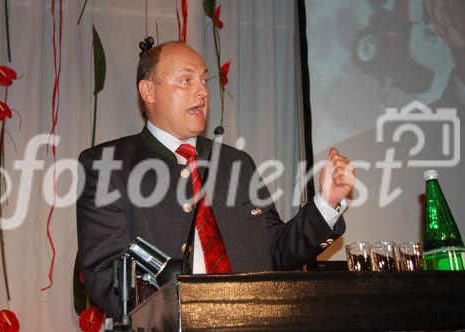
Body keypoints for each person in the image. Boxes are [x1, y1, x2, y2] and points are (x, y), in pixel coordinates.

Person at [76, 42, 356, 319]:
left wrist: (326, 202)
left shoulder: (237, 163)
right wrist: (189, 314)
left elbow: (276, 251)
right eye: (186, 80)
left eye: (204, 81)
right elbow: (106, 275)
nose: (202, 91)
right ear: (148, 91)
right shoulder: (108, 165)